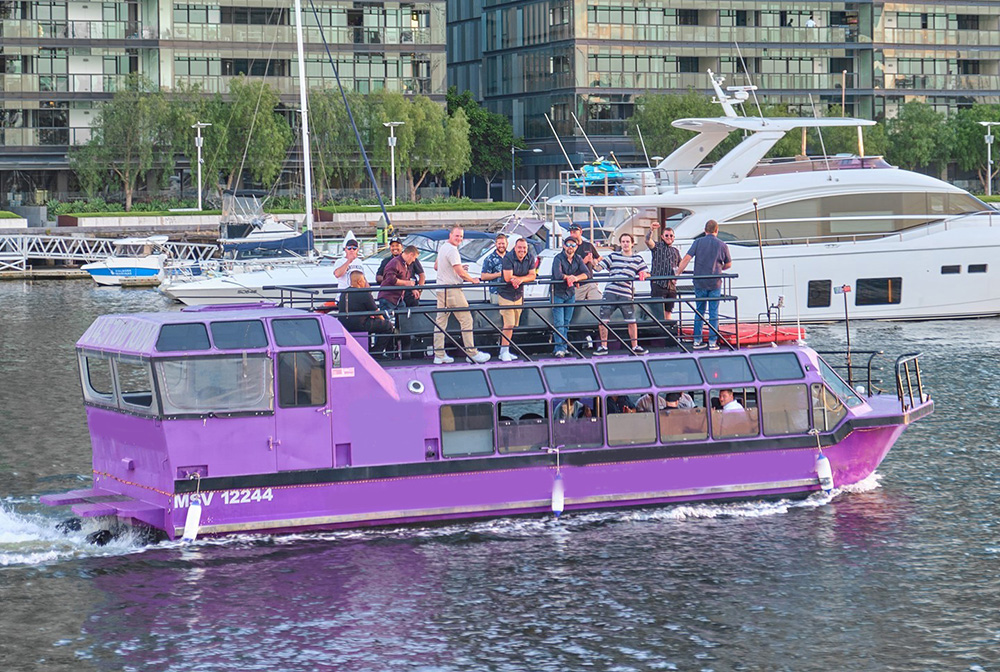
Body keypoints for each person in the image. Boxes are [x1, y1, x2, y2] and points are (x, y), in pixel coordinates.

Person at [432, 226, 490, 364]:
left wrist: (456, 268)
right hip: (452, 290)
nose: (459, 239)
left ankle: (439, 354)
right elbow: (460, 273)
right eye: (457, 236)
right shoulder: (452, 250)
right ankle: (472, 353)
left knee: (440, 322)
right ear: (450, 235)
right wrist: (472, 279)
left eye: (461, 236)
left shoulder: (443, 247)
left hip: (441, 290)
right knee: (466, 320)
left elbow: (436, 267)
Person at [676, 219, 732, 350]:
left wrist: (677, 274)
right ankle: (713, 342)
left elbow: (686, 259)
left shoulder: (698, 242)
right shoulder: (722, 245)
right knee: (714, 312)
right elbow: (728, 264)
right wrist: (720, 268)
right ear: (716, 230)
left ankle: (697, 340)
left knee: (699, 311)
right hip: (715, 282)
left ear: (705, 230)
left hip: (699, 282)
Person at [595, 232, 649, 356]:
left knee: (631, 320)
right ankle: (603, 346)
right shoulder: (613, 256)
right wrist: (591, 260)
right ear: (620, 243)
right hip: (610, 291)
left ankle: (635, 346)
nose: (625, 244)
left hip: (626, 293)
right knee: (603, 320)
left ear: (632, 244)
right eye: (623, 242)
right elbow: (598, 268)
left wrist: (644, 274)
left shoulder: (637, 259)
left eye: (627, 242)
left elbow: (646, 272)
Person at [497, 238, 537, 362]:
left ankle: (506, 350)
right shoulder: (508, 258)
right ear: (515, 247)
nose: (522, 250)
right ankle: (503, 351)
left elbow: (532, 275)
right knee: (508, 324)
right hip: (506, 294)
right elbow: (507, 277)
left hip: (518, 295)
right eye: (520, 247)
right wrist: (517, 279)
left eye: (524, 248)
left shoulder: (530, 257)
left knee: (513, 324)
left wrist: (520, 280)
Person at [550, 237, 589, 357]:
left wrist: (576, 278)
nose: (570, 247)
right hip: (558, 294)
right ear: (564, 246)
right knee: (559, 322)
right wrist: (569, 277)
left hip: (570, 294)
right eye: (568, 245)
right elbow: (558, 275)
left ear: (576, 247)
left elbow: (587, 273)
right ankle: (559, 348)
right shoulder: (558, 258)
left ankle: (564, 346)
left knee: (566, 322)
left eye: (573, 245)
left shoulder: (578, 258)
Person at [339, 270, 393, 355]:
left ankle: (370, 350)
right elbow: (376, 312)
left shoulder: (343, 293)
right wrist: (384, 321)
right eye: (364, 280)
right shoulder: (364, 294)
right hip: (360, 325)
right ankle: (376, 352)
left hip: (344, 324)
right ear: (360, 282)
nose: (365, 282)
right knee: (388, 326)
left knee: (372, 323)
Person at [645, 222, 681, 321]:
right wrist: (651, 230)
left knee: (668, 312)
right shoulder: (657, 247)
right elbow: (648, 241)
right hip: (658, 284)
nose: (669, 237)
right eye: (666, 235)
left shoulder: (675, 251)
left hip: (671, 286)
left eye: (671, 235)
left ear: (674, 237)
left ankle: (668, 332)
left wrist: (676, 276)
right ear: (662, 236)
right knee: (657, 312)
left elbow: (680, 266)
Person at [377, 236, 425, 306]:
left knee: (406, 313)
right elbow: (390, 279)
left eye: (397, 245)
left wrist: (417, 289)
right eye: (392, 246)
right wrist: (405, 283)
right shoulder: (393, 262)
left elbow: (421, 275)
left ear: (401, 247)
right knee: (392, 314)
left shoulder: (406, 261)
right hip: (391, 296)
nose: (395, 248)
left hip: (404, 296)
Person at [479, 233, 508, 304]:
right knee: (496, 314)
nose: (501, 246)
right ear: (496, 244)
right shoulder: (489, 259)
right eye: (499, 243)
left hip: (510, 293)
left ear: (507, 244)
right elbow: (483, 276)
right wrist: (499, 274)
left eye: (503, 243)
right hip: (496, 292)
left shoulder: (511, 257)